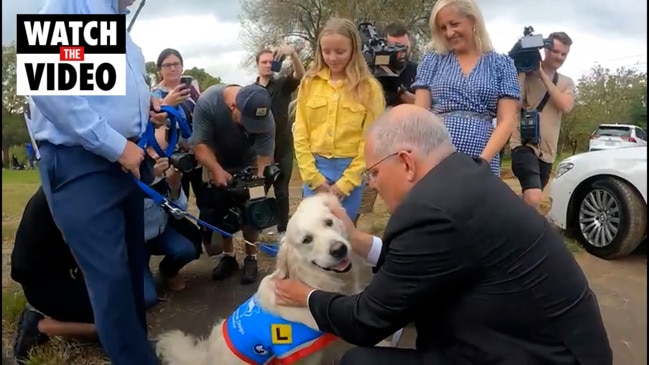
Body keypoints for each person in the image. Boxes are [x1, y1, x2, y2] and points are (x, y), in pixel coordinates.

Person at [274, 104, 613, 365]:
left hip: (542, 357)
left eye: (374, 172)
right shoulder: (466, 174)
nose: (372, 183)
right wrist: (358, 240)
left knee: (359, 359)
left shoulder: (428, 212)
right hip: (563, 344)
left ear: (406, 162)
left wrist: (303, 295)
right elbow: (426, 264)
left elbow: (366, 321)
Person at [26, 1, 167, 364]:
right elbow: (48, 85)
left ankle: (135, 354)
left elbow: (97, 90)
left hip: (123, 160)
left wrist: (142, 104)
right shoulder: (67, 3)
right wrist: (117, 145)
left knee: (133, 268)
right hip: (82, 162)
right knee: (112, 279)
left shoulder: (118, 24)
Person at [412, 0, 520, 176]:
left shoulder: (502, 65)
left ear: (473, 21)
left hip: (483, 157)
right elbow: (419, 114)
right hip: (436, 156)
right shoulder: (432, 61)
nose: (449, 32)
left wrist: (482, 162)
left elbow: (507, 121)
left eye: (454, 24)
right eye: (443, 27)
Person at [293, 17, 386, 221]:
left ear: (354, 49)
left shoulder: (369, 88)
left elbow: (370, 140)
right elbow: (300, 133)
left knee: (342, 233)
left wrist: (346, 183)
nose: (332, 58)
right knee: (315, 231)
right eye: (326, 52)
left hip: (351, 170)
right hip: (316, 168)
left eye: (340, 52)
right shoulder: (309, 83)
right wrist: (314, 178)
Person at [190, 84, 275, 284]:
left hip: (250, 162)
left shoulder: (264, 113)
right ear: (233, 106)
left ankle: (251, 257)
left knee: (252, 206)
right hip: (218, 160)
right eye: (247, 122)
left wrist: (259, 182)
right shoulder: (208, 103)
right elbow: (200, 145)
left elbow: (265, 155)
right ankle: (228, 257)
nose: (250, 128)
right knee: (223, 208)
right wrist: (217, 170)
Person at [11, 187, 96, 363]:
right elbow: (85, 259)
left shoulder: (58, 184)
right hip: (47, 286)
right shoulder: (75, 199)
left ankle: (42, 313)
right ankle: (43, 327)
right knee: (115, 322)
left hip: (41, 276)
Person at [510, 32, 576, 208]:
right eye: (555, 51)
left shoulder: (566, 82)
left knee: (529, 197)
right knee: (533, 196)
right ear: (545, 49)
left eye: (564, 54)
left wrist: (543, 75)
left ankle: (508, 217)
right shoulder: (526, 74)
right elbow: (514, 105)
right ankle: (526, 233)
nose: (560, 57)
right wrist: (522, 70)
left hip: (548, 151)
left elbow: (566, 106)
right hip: (523, 143)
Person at [143, 127, 201, 305]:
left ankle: (167, 271)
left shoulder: (168, 172)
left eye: (162, 150)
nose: (157, 157)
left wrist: (175, 186)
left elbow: (179, 215)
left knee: (188, 248)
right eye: (151, 150)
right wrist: (149, 178)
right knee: (147, 299)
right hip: (133, 239)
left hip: (160, 231)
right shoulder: (127, 170)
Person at [253, 45, 305, 244]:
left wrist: (292, 54)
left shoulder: (282, 84)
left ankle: (283, 231)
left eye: (270, 61)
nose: (267, 65)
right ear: (257, 65)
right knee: (257, 191)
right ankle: (256, 227)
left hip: (282, 146)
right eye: (263, 62)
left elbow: (300, 75)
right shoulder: (251, 90)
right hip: (259, 150)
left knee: (281, 191)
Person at [151, 48, 204, 201]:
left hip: (197, 152)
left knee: (206, 199)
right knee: (179, 196)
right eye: (167, 65)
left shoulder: (192, 89)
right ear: (160, 69)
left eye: (176, 64)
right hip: (173, 156)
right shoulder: (155, 94)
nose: (173, 68)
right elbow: (156, 125)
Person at [384, 22, 419, 106]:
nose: (402, 53)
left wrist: (401, 92)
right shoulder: (375, 71)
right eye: (397, 49)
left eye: (405, 48)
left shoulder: (418, 70)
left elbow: (426, 104)